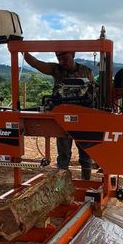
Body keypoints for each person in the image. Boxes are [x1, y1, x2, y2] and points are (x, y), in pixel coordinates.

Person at [23, 50, 93, 180]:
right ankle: (62, 183)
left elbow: (94, 92)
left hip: (84, 118)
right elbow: (36, 63)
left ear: (73, 54)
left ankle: (86, 181)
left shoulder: (86, 71)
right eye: (59, 59)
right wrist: (23, 51)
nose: (62, 62)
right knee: (63, 155)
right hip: (62, 119)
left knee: (86, 155)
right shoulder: (56, 69)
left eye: (65, 58)